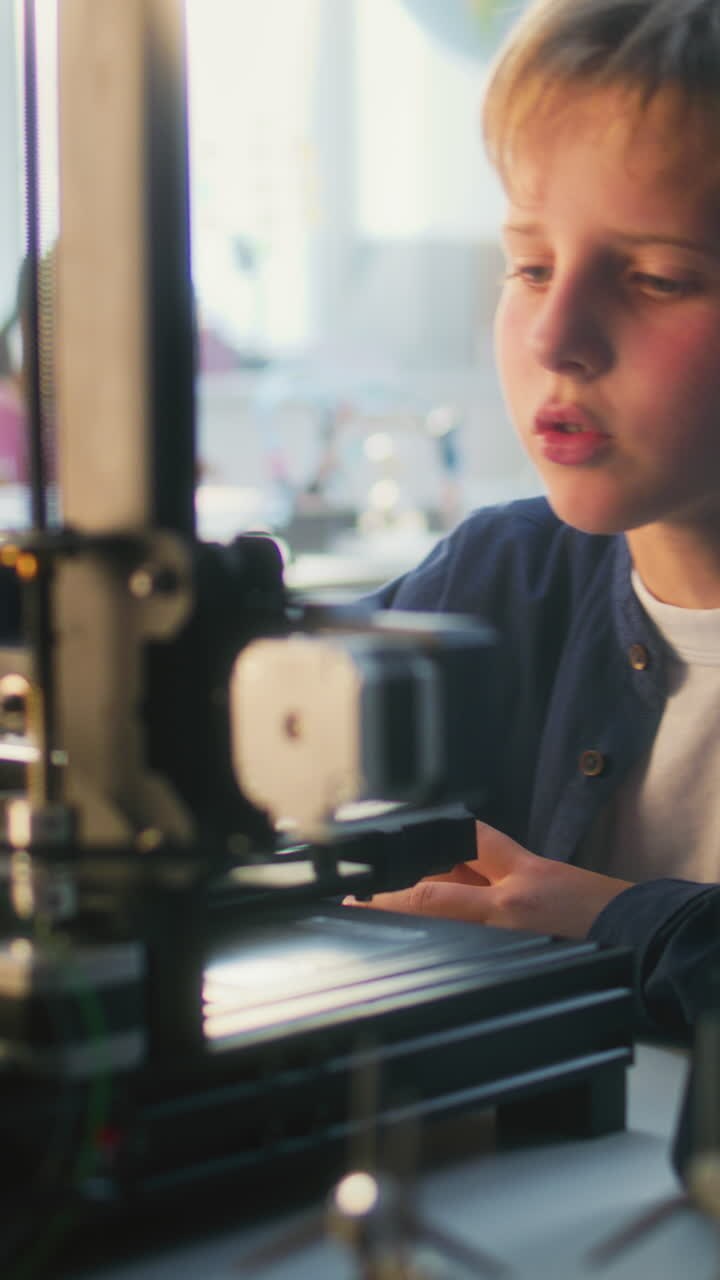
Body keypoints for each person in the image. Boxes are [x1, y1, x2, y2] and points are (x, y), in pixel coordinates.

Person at [345, 0, 720, 1043]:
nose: (555, 336)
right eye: (531, 265)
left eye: (656, 277)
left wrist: (615, 922)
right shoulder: (499, 577)